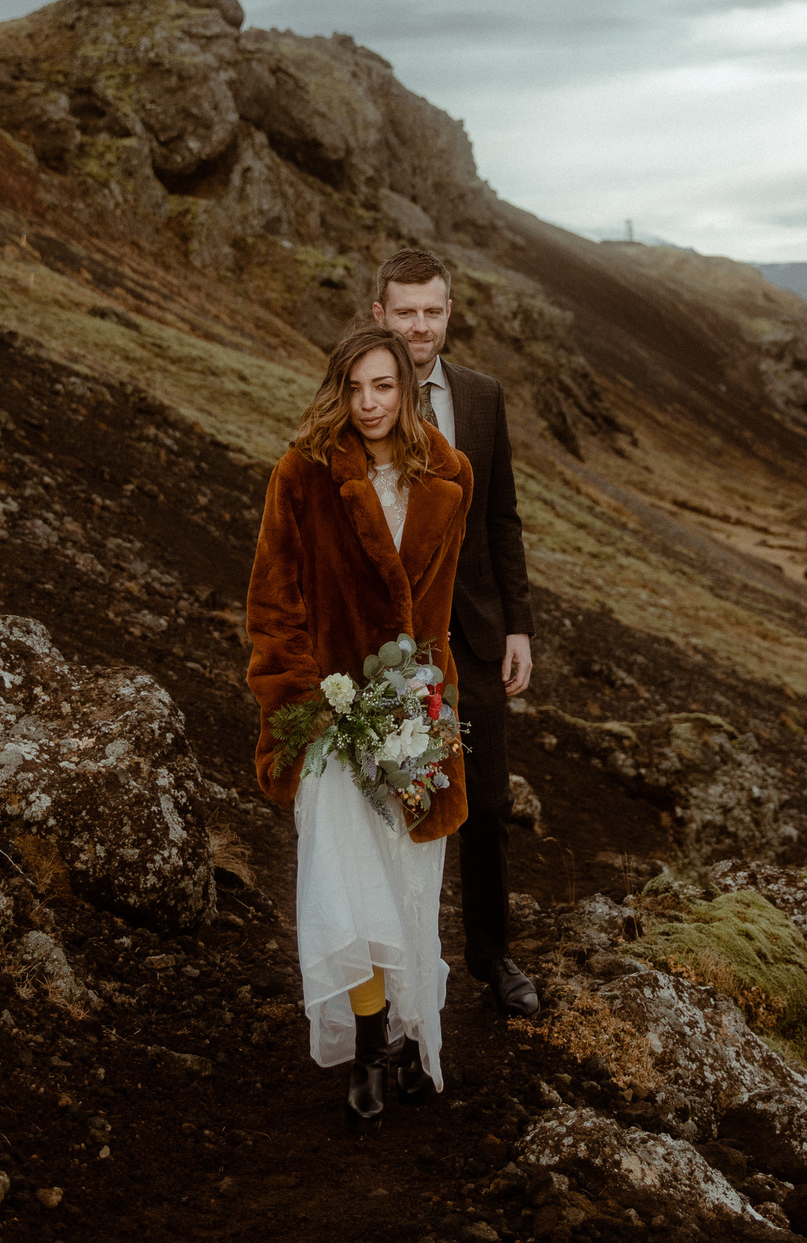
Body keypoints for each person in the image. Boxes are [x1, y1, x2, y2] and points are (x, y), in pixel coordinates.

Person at [247, 325, 476, 1124]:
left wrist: (428, 705)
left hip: (415, 717)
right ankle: (371, 1045)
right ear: (338, 391)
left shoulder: (450, 478)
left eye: (385, 387)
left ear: (407, 391)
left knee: (410, 888)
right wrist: (306, 714)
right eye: (356, 388)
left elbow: (440, 612)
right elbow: (274, 608)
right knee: (351, 885)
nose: (370, 403)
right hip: (329, 719)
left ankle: (414, 1034)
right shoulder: (303, 475)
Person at [370, 247, 542, 1017]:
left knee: (487, 803)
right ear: (380, 314)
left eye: (432, 310)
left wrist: (519, 627)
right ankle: (394, 965)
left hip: (471, 635)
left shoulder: (481, 396)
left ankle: (491, 954)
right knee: (388, 805)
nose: (420, 325)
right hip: (383, 641)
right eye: (405, 311)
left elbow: (502, 516)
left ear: (450, 311)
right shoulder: (359, 396)